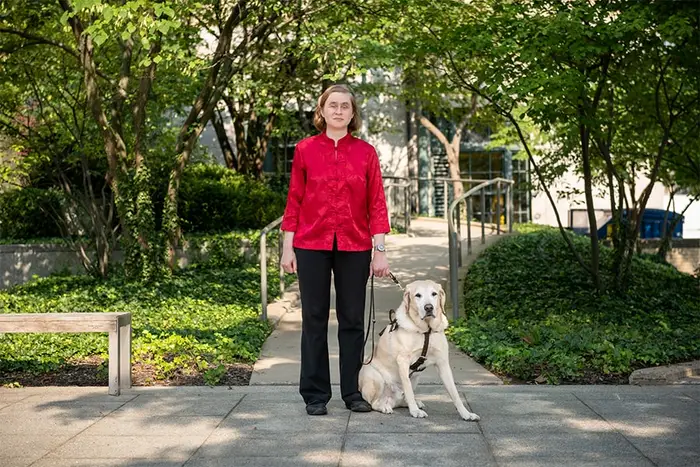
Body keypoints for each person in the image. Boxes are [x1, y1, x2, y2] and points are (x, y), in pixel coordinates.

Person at [280, 84, 391, 416]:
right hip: (311, 244)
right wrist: (288, 247)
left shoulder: (366, 153)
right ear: (322, 111)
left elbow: (377, 204)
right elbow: (294, 200)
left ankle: (353, 392)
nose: (339, 110)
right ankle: (315, 395)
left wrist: (380, 249)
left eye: (345, 106)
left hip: (354, 244)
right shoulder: (305, 150)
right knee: (313, 319)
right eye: (333, 105)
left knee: (352, 320)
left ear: (353, 113)